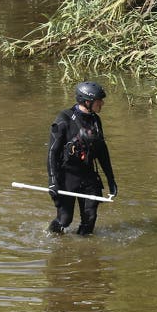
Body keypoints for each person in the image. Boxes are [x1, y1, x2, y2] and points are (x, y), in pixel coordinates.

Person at [46, 81, 118, 234]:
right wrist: (53, 181)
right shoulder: (63, 119)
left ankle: (85, 253)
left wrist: (111, 180)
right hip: (67, 176)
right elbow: (52, 152)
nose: (102, 103)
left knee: (90, 218)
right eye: (99, 100)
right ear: (87, 101)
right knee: (65, 220)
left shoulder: (95, 120)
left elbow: (102, 153)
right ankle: (51, 237)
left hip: (89, 176)